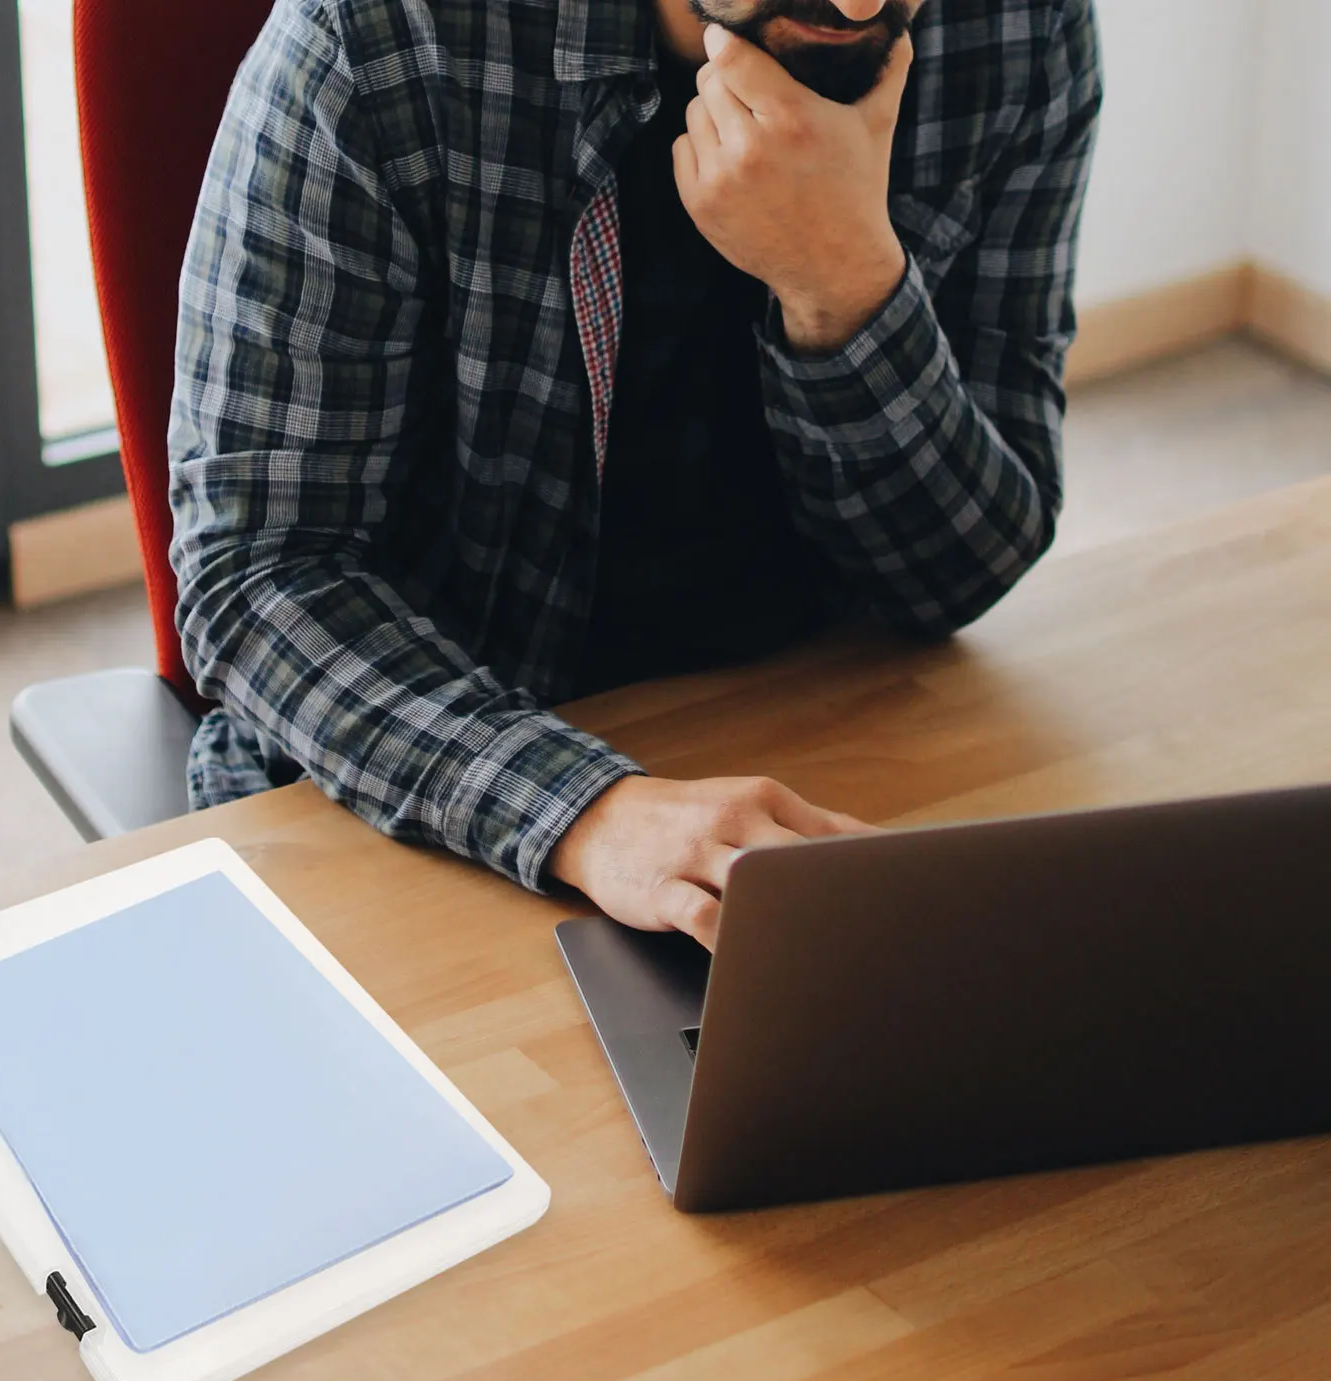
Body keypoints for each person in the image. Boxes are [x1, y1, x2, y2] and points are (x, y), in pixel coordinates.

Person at [169, 0, 1102, 948]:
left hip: (811, 753)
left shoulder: (1020, 26)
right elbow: (255, 576)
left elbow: (960, 575)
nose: (862, 4)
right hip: (423, 800)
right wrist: (585, 810)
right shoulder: (381, 35)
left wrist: (846, 281)